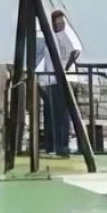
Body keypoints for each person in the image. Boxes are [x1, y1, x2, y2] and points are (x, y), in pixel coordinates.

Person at [36, 10, 84, 156]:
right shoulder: (52, 36)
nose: (59, 25)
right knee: (52, 115)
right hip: (51, 80)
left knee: (62, 115)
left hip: (63, 80)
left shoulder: (65, 34)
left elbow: (75, 51)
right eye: (57, 23)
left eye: (61, 23)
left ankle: (62, 146)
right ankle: (52, 146)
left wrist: (65, 69)